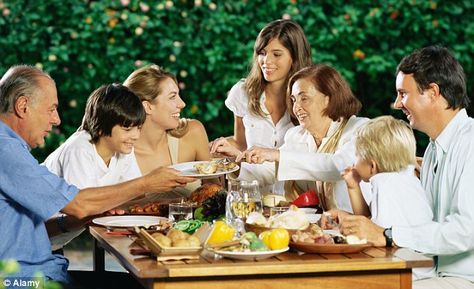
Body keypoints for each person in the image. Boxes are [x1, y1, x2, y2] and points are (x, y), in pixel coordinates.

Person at [0, 65, 195, 288]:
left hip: (43, 270)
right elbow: (79, 204)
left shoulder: (13, 149)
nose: (57, 120)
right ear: (23, 106)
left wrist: (70, 222)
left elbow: (24, 229)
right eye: (51, 109)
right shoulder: (6, 150)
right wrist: (147, 182)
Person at [336, 46, 474, 289]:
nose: (397, 103)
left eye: (403, 94)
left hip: (462, 279)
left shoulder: (470, 143)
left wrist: (388, 235)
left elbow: (465, 232)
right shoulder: (433, 149)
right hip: (430, 272)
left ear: (432, 92)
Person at [237, 64, 369, 212]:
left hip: (360, 227)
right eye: (294, 100)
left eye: (304, 98)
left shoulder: (360, 129)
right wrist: (235, 164)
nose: (296, 107)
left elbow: (339, 166)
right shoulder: (296, 135)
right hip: (323, 228)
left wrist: (276, 154)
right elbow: (271, 169)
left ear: (329, 98)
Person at [209, 19, 312, 194]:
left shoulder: (309, 97)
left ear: (294, 57)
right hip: (249, 195)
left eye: (276, 54)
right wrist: (219, 146)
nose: (266, 61)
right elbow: (241, 143)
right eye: (262, 53)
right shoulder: (242, 92)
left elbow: (309, 158)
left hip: (294, 198)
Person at [326, 115, 435, 280]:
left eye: (357, 156)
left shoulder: (384, 184)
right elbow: (370, 224)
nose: (354, 163)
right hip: (417, 267)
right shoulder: (406, 179)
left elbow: (373, 237)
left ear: (372, 166)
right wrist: (353, 186)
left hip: (408, 273)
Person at [43, 83, 145, 251]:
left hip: (57, 240)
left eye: (138, 128)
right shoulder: (79, 149)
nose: (135, 136)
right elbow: (83, 209)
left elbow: (134, 195)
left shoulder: (123, 148)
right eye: (127, 128)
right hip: (31, 238)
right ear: (101, 126)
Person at [123, 64, 211, 198]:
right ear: (147, 107)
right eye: (172, 97)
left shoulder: (192, 132)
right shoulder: (119, 150)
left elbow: (216, 192)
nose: (182, 104)